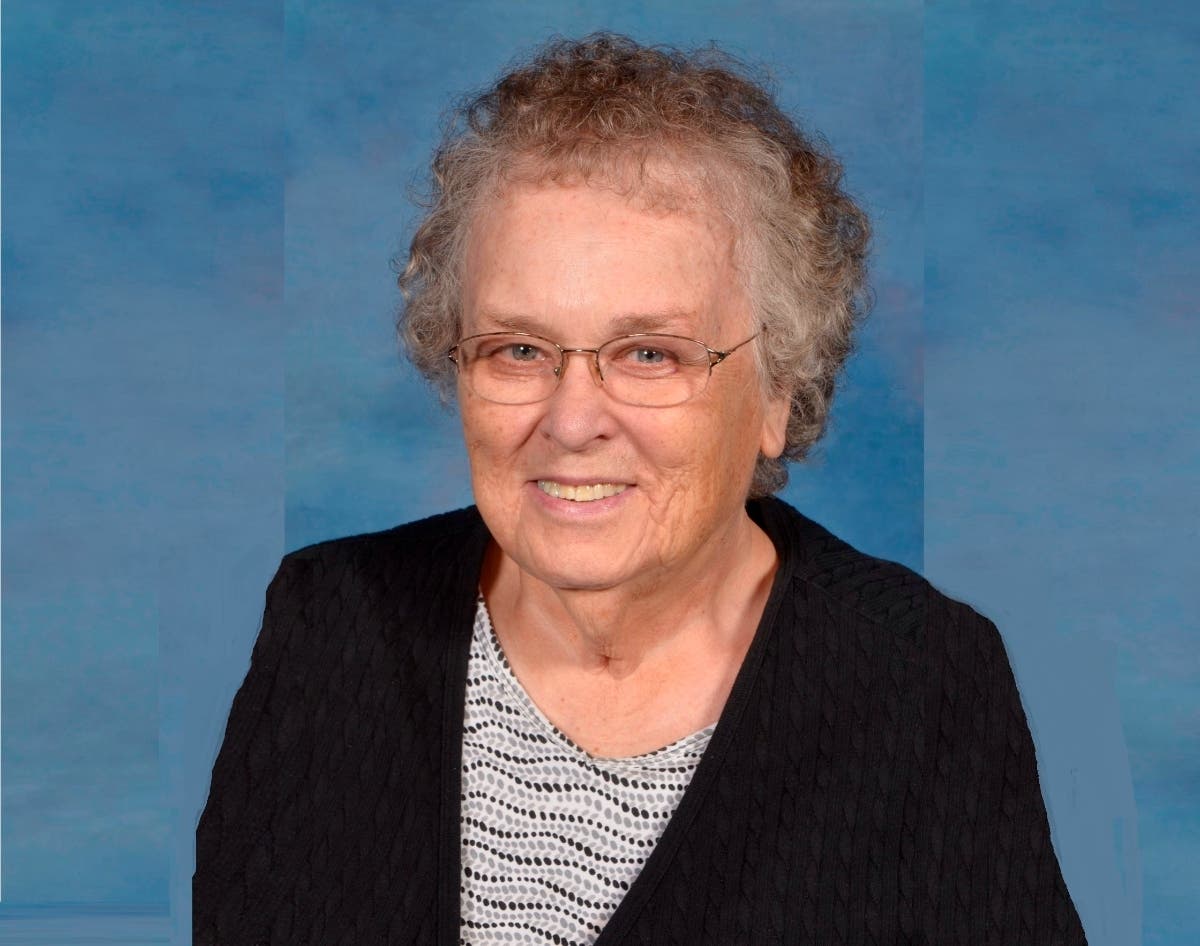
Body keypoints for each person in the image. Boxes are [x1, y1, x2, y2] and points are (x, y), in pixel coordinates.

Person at [194, 33, 1088, 945]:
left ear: (777, 391)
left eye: (651, 354)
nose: (572, 419)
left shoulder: (922, 679)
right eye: (518, 349)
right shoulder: (331, 620)